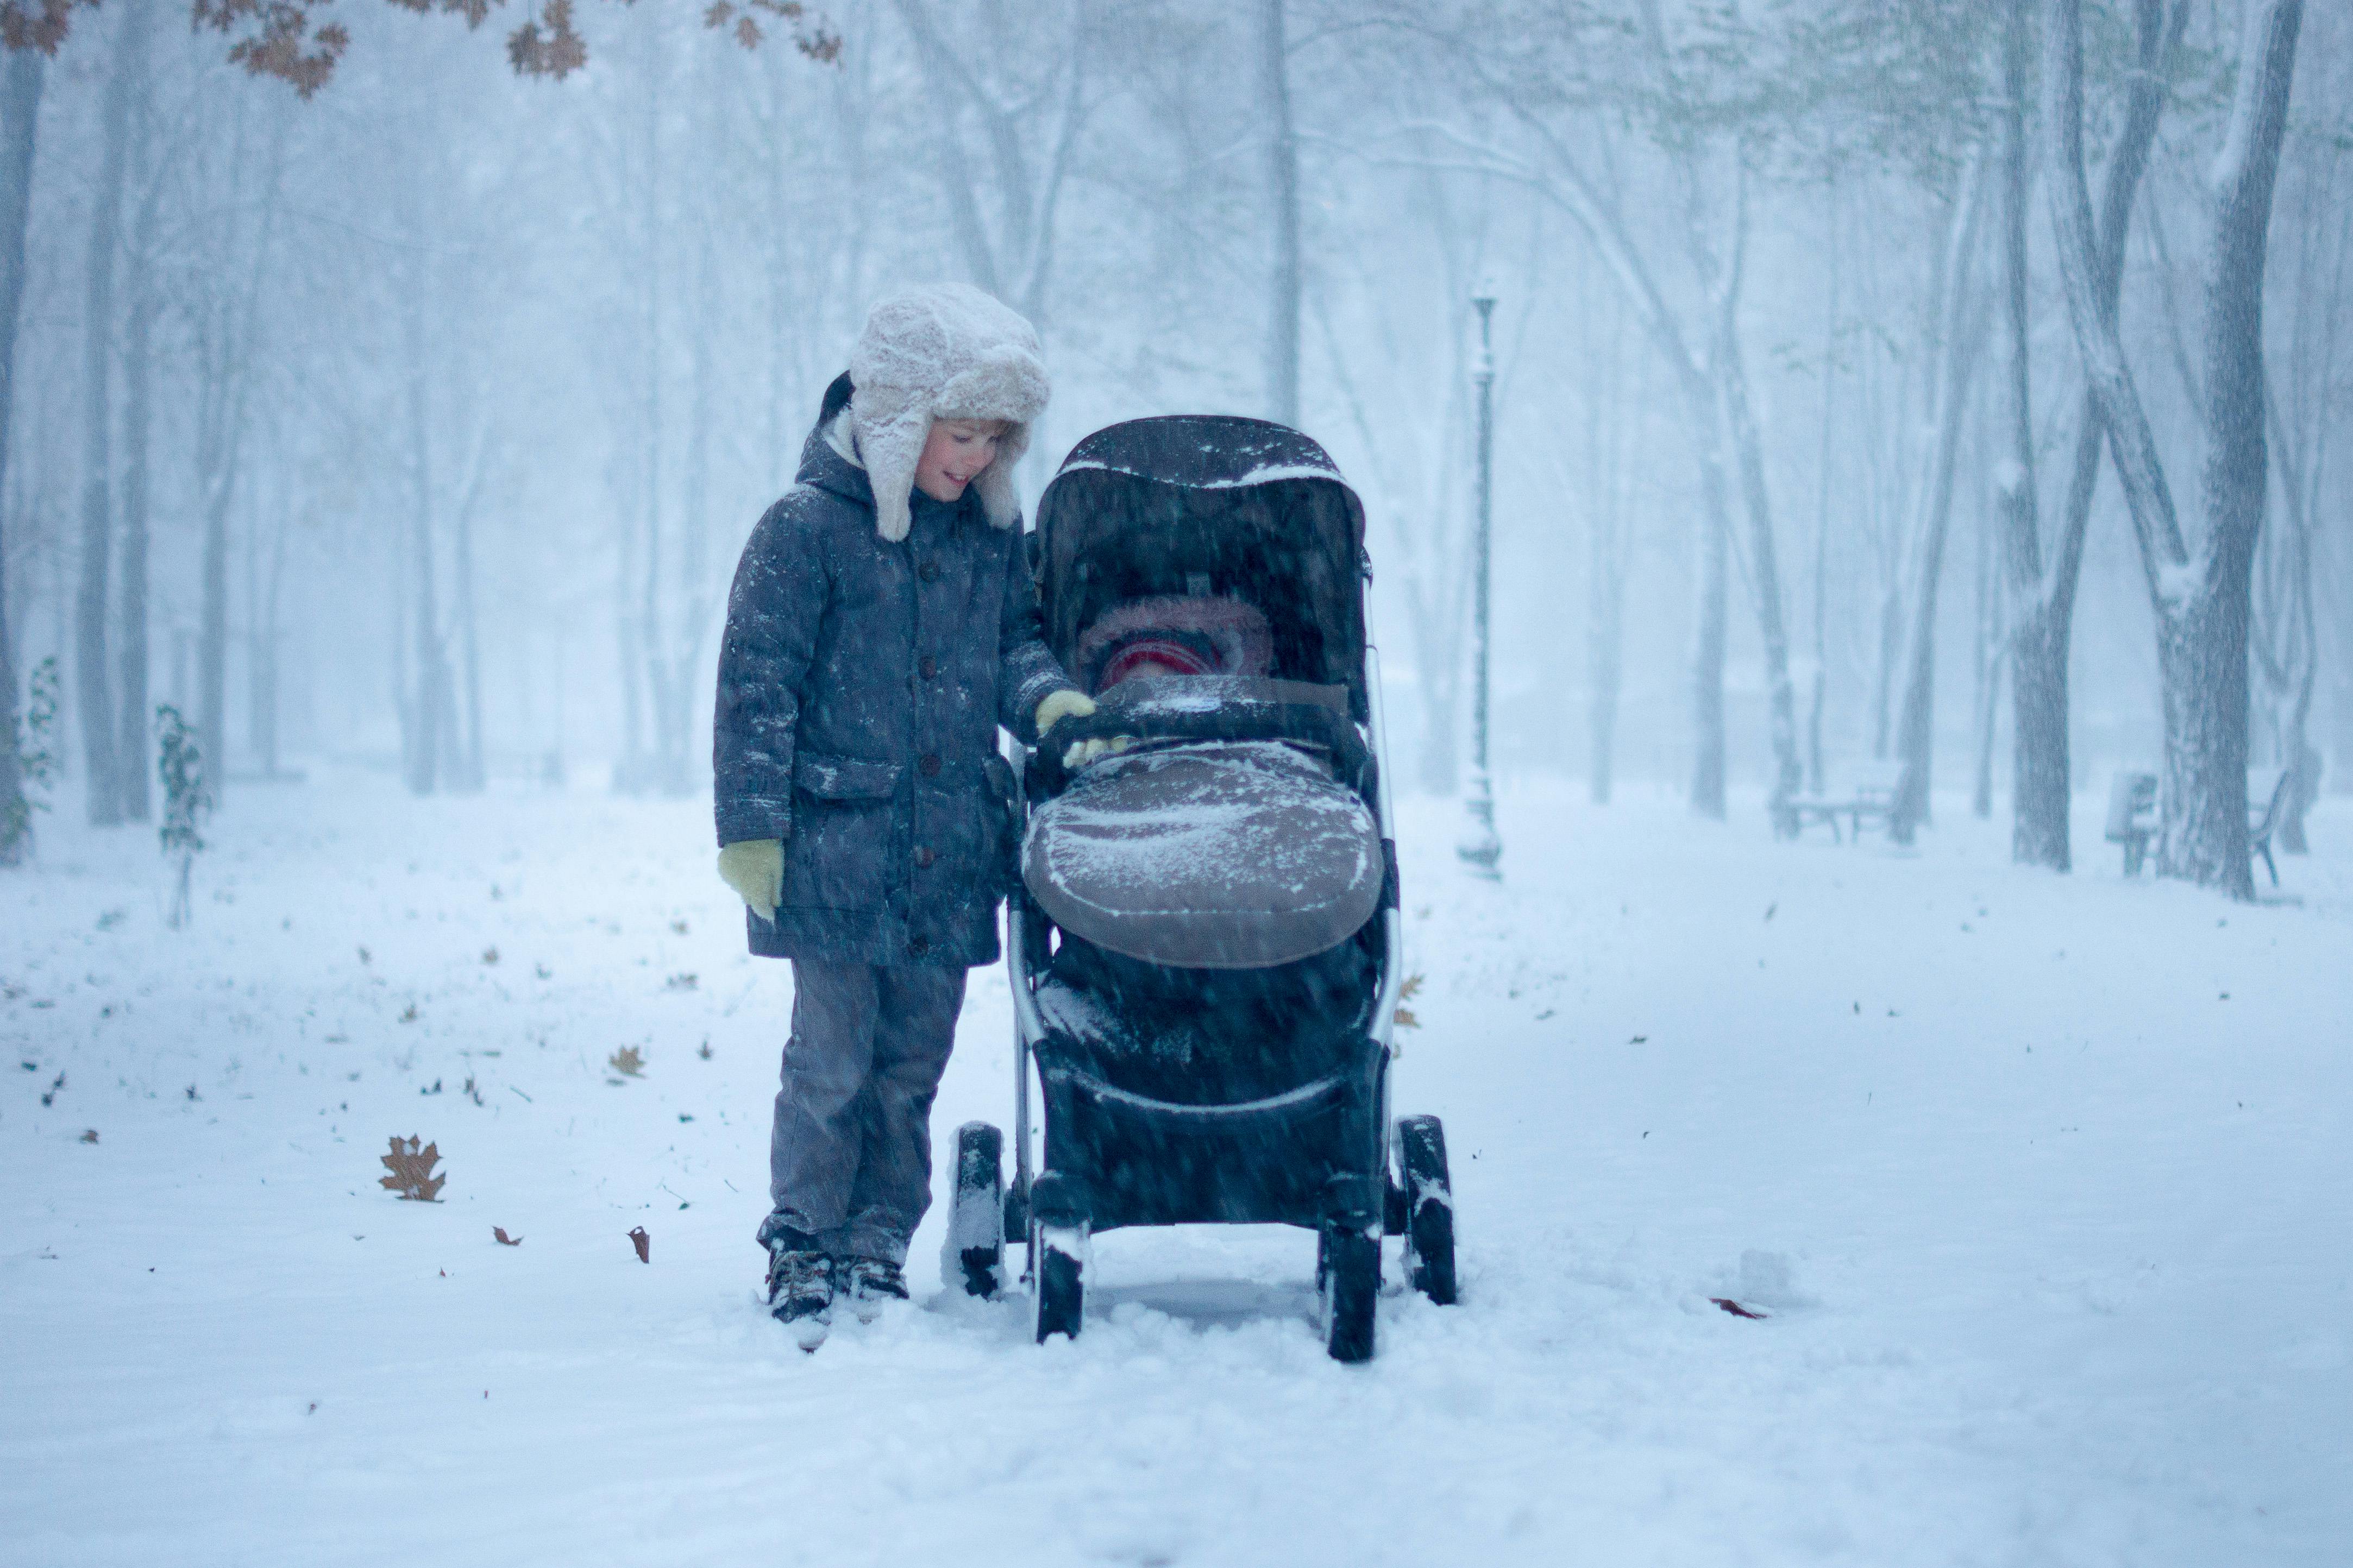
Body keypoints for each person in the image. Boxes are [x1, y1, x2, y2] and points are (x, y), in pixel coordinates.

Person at [711, 283, 1098, 1348]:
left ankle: (877, 1237)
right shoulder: (806, 532)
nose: (972, 458)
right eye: (956, 432)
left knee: (910, 1065)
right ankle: (805, 1236)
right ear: (897, 416)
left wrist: (1050, 698)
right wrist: (751, 826)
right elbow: (758, 681)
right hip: (836, 852)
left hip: (945, 849)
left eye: (992, 439)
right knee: (832, 1060)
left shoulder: (986, 539)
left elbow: (1011, 650)